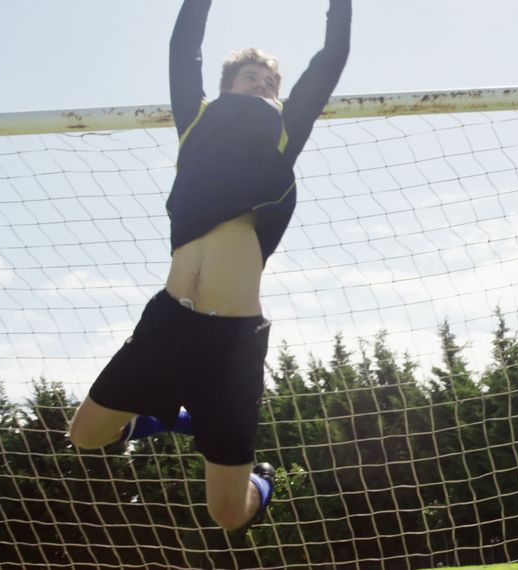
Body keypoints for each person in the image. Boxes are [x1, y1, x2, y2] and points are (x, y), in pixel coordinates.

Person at [68, 0, 352, 533]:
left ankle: (259, 478)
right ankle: (164, 417)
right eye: (251, 76)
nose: (263, 84)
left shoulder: (284, 130)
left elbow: (331, 57)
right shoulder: (196, 120)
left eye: (271, 81)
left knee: (226, 515)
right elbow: (184, 48)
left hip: (232, 343)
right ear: (227, 85)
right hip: (169, 322)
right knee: (84, 434)